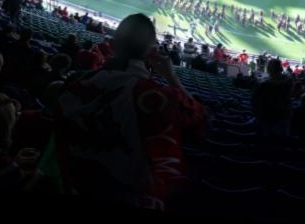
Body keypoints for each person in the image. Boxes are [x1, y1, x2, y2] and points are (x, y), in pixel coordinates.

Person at [52, 14, 207, 210]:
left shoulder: (71, 86)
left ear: (113, 45)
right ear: (151, 52)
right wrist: (171, 77)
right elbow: (200, 119)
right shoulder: (155, 98)